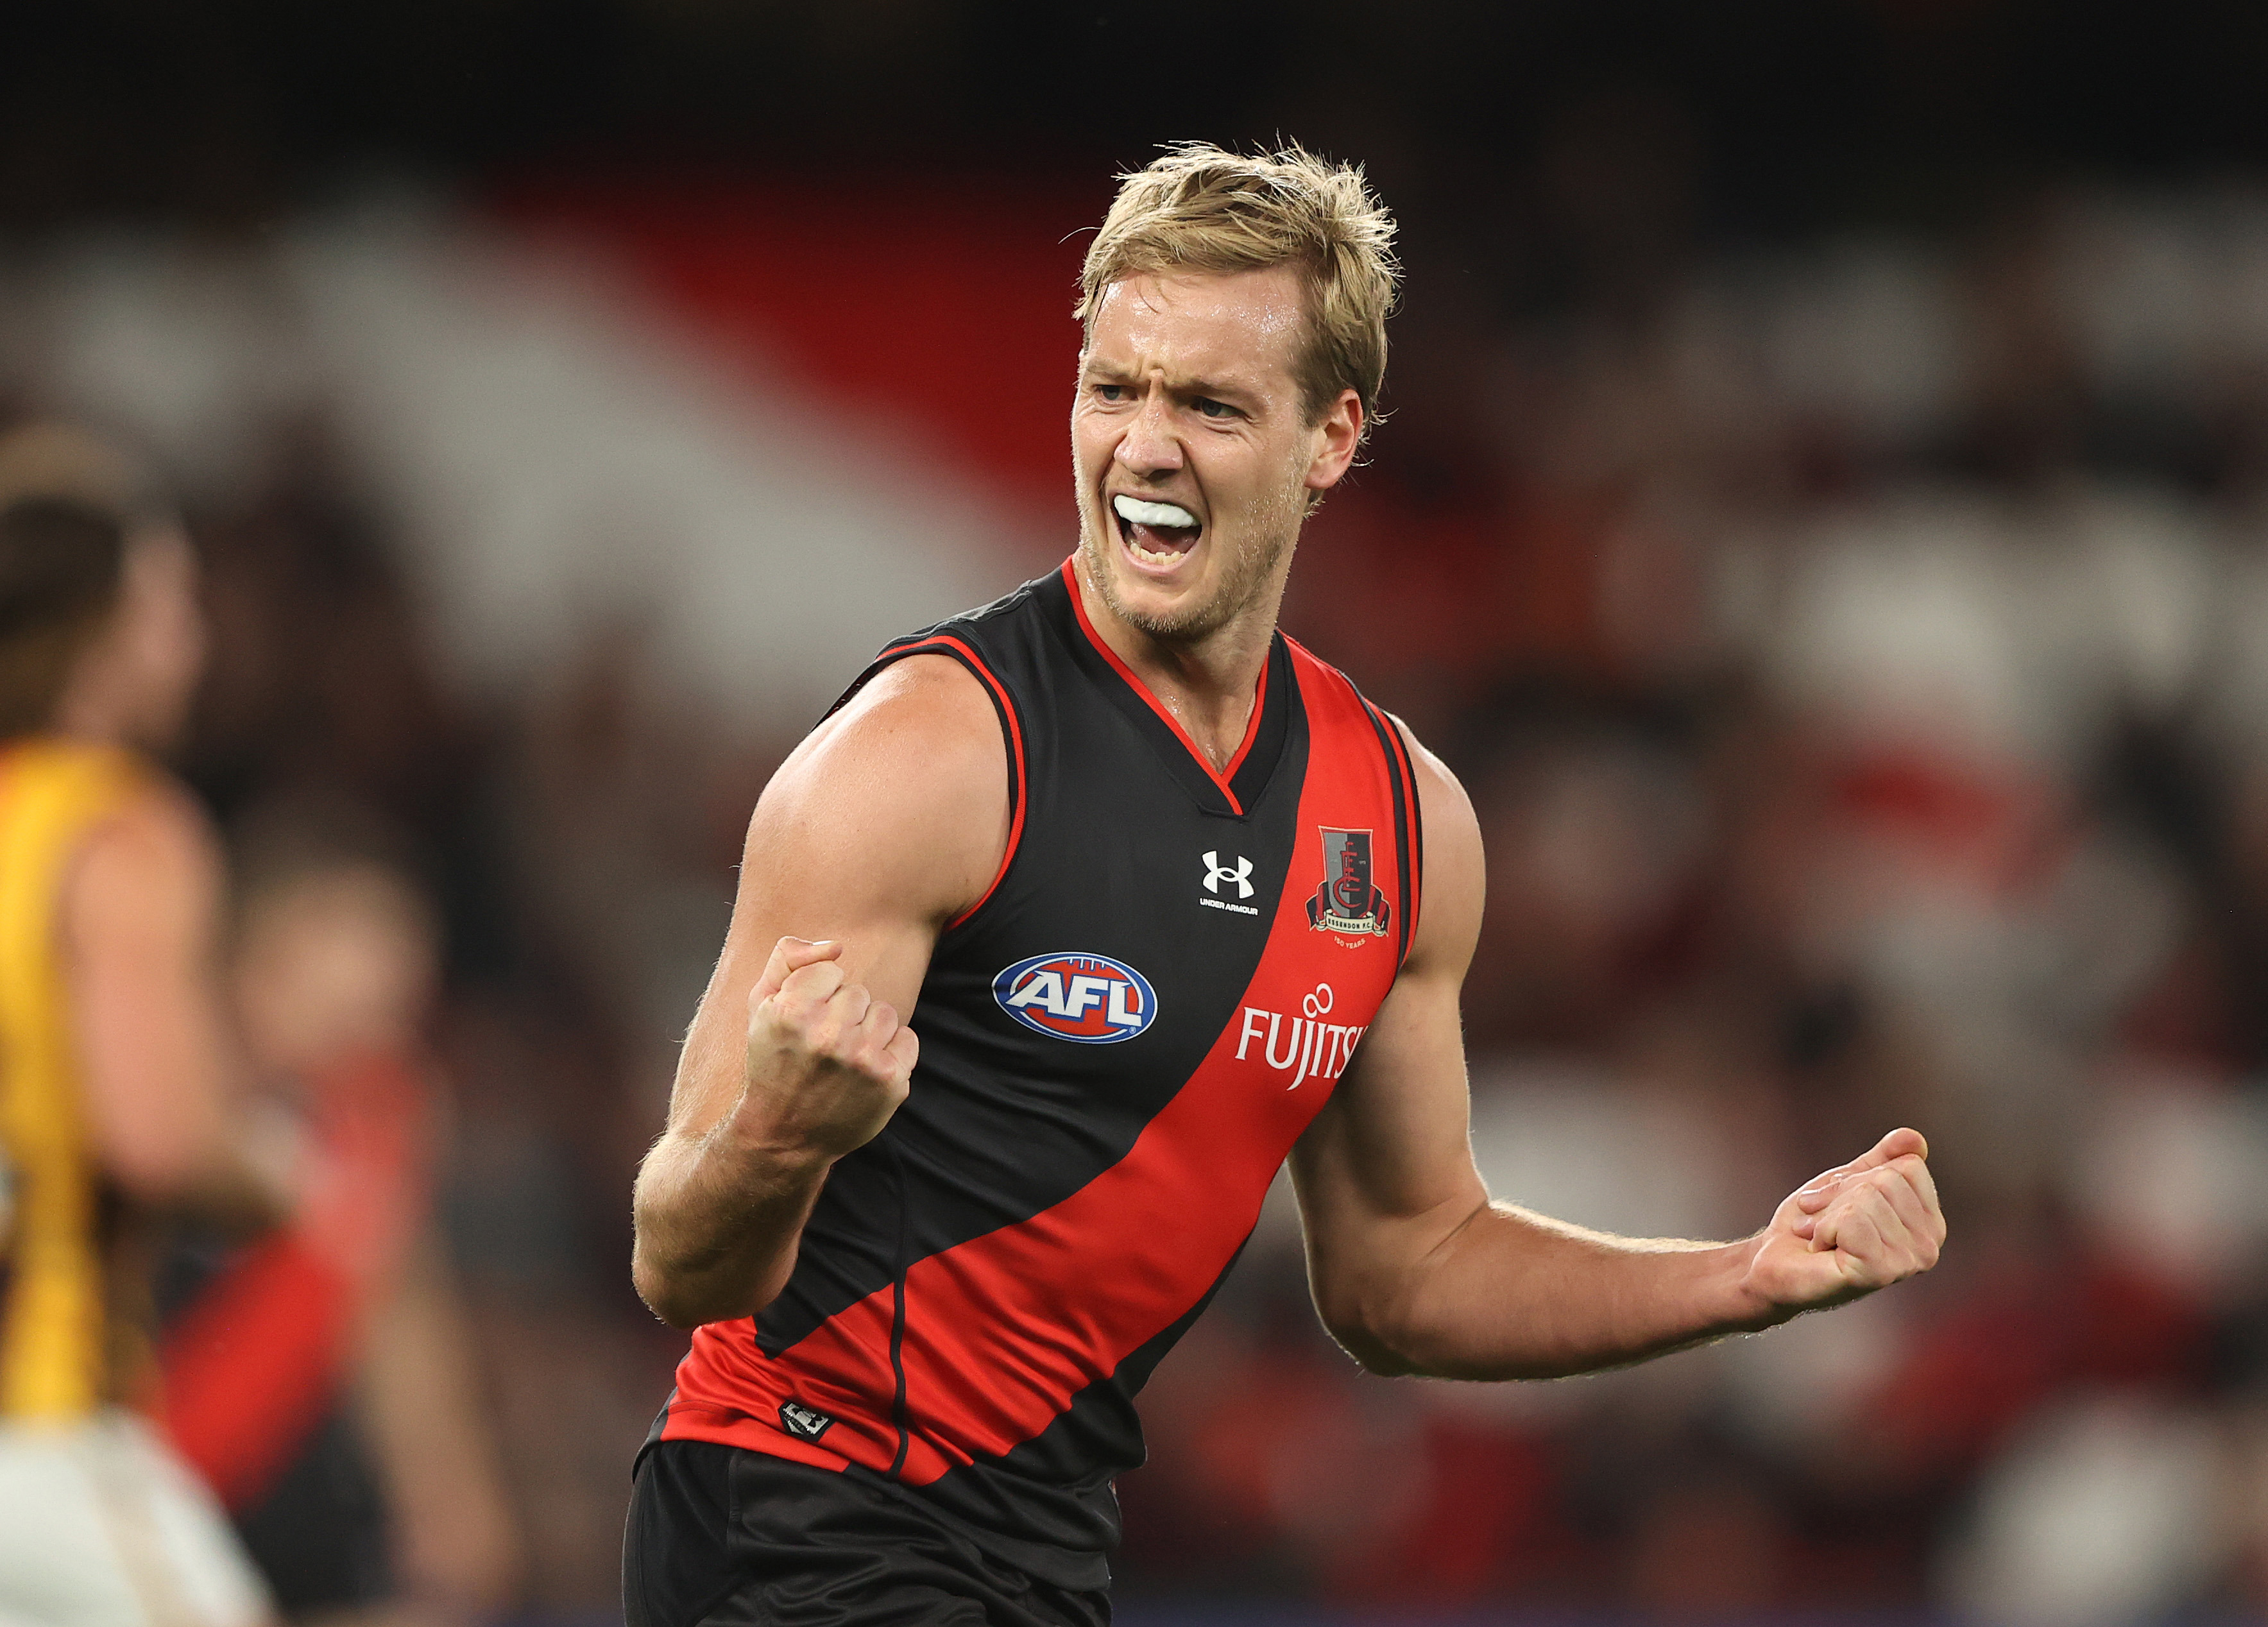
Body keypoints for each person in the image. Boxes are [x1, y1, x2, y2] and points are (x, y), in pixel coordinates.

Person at [624, 144, 1946, 1627]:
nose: (1142, 446)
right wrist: (775, 1135)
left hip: (1046, 1551)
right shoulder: (926, 757)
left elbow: (1407, 1273)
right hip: (796, 1515)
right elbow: (680, 1258)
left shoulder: (1399, 820)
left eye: (1208, 404)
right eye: (1114, 387)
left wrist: (1748, 1276)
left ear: (1332, 436)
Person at [0, 432, 287, 1627]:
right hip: (45, 1422)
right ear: (104, 629)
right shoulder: (120, 834)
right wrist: (278, 1169)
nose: (192, 639)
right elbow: (157, 1137)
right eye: (170, 601)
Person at [162, 808, 522, 1626]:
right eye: (353, 1002)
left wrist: (446, 1483)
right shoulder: (141, 1100)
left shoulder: (370, 1111)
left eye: (394, 1007)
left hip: (291, 1518)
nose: (374, 1034)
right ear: (261, 958)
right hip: (126, 1490)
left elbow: (394, 1302)